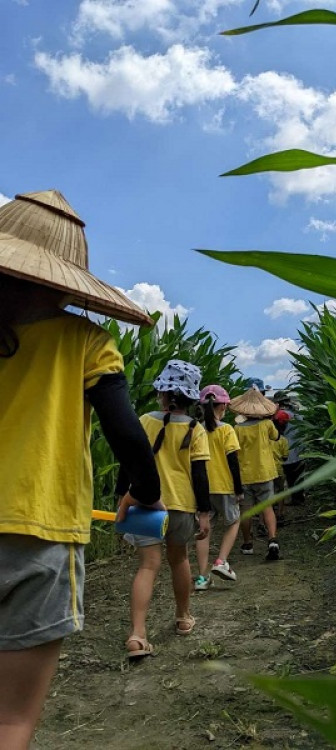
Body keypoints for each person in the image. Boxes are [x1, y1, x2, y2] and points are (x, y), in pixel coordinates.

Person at [0, 190, 162, 749]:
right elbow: (126, 434)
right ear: (66, 280)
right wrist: (146, 493)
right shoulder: (86, 340)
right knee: (10, 720)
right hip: (38, 532)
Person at [117, 361, 211, 657]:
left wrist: (121, 497)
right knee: (179, 559)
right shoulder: (196, 429)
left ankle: (137, 634)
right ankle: (183, 617)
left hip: (144, 503)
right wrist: (204, 513)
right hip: (181, 505)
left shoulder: (145, 421)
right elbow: (200, 475)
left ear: (162, 393)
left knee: (147, 566)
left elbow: (128, 461)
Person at [194, 384, 243, 591]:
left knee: (204, 530)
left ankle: (201, 577)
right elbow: (233, 462)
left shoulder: (195, 429)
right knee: (234, 522)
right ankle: (221, 561)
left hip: (201, 489)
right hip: (224, 486)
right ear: (223, 406)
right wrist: (239, 489)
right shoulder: (227, 429)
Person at [230, 387, 281, 561]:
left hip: (244, 474)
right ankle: (272, 540)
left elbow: (234, 450)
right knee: (267, 507)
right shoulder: (266, 425)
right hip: (264, 472)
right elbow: (276, 437)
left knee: (246, 510)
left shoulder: (237, 428)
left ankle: (247, 543)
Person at [274, 390, 305, 506]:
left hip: (288, 450)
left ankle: (291, 500)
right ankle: (299, 498)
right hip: (299, 449)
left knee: (290, 477)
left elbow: (277, 432)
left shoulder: (282, 414)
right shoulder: (297, 414)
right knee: (298, 476)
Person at [271, 410, 290, 525]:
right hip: (279, 470)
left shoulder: (266, 438)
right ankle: (280, 514)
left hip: (267, 470)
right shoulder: (283, 440)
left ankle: (268, 516)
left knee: (268, 494)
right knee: (280, 492)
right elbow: (285, 457)